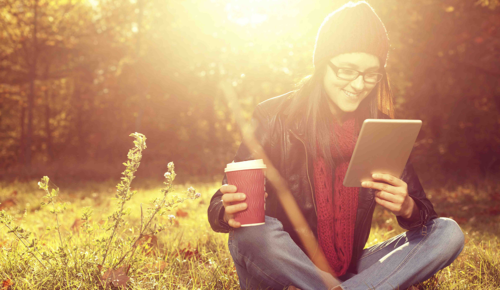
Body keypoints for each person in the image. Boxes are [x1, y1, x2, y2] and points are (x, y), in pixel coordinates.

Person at [207, 2, 465, 289]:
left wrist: (407, 207)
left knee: (448, 233)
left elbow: (425, 218)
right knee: (251, 232)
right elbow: (221, 201)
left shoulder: (379, 129)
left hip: (348, 269)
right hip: (283, 266)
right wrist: (225, 210)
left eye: (371, 74)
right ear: (322, 64)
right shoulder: (274, 117)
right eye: (347, 70)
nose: (358, 84)